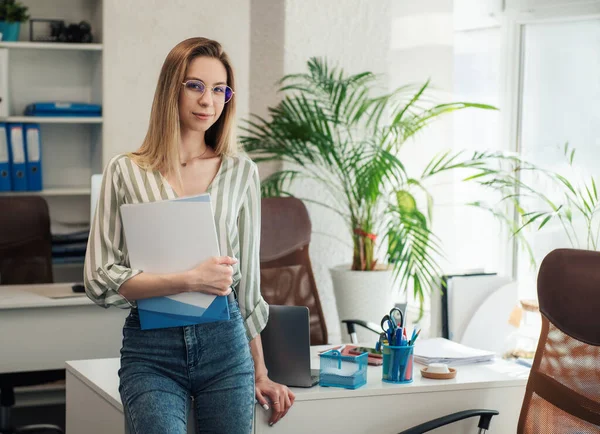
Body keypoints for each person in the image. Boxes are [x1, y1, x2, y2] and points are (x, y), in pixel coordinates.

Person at [83, 37, 294, 433]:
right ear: (171, 89)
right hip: (152, 353)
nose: (207, 101)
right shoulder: (125, 171)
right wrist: (190, 280)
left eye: (219, 90)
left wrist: (261, 373)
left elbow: (247, 290)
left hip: (225, 346)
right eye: (195, 85)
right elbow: (98, 278)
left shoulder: (240, 172)